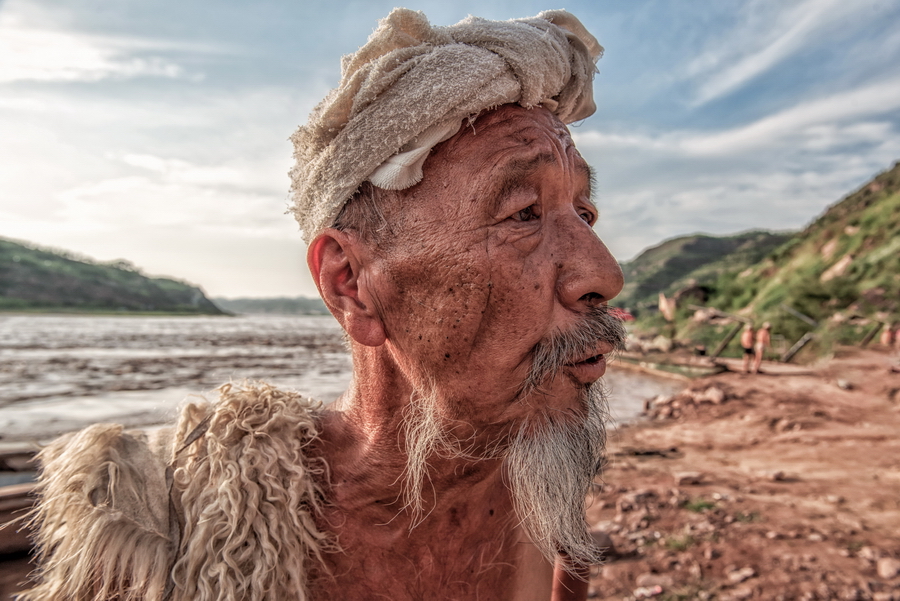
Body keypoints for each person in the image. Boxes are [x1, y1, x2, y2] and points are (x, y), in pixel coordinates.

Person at [21, 8, 625, 601]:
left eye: (584, 213)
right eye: (523, 214)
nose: (605, 273)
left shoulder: (542, 478)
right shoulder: (157, 527)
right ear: (351, 283)